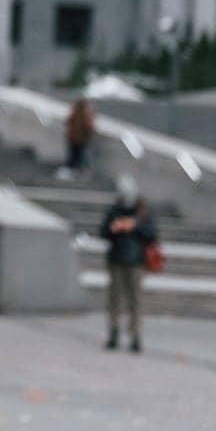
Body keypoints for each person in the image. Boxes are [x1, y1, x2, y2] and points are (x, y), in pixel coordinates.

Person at [100, 173, 155, 353]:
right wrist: (115, 228)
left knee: (135, 299)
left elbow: (151, 234)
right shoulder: (114, 211)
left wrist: (134, 226)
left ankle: (135, 334)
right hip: (116, 260)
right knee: (115, 298)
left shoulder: (141, 212)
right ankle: (114, 331)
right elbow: (103, 232)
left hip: (136, 261)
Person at [65, 98, 96, 173]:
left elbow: (89, 128)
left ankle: (77, 168)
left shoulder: (83, 115)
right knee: (76, 154)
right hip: (76, 138)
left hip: (78, 139)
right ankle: (75, 168)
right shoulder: (81, 115)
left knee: (78, 154)